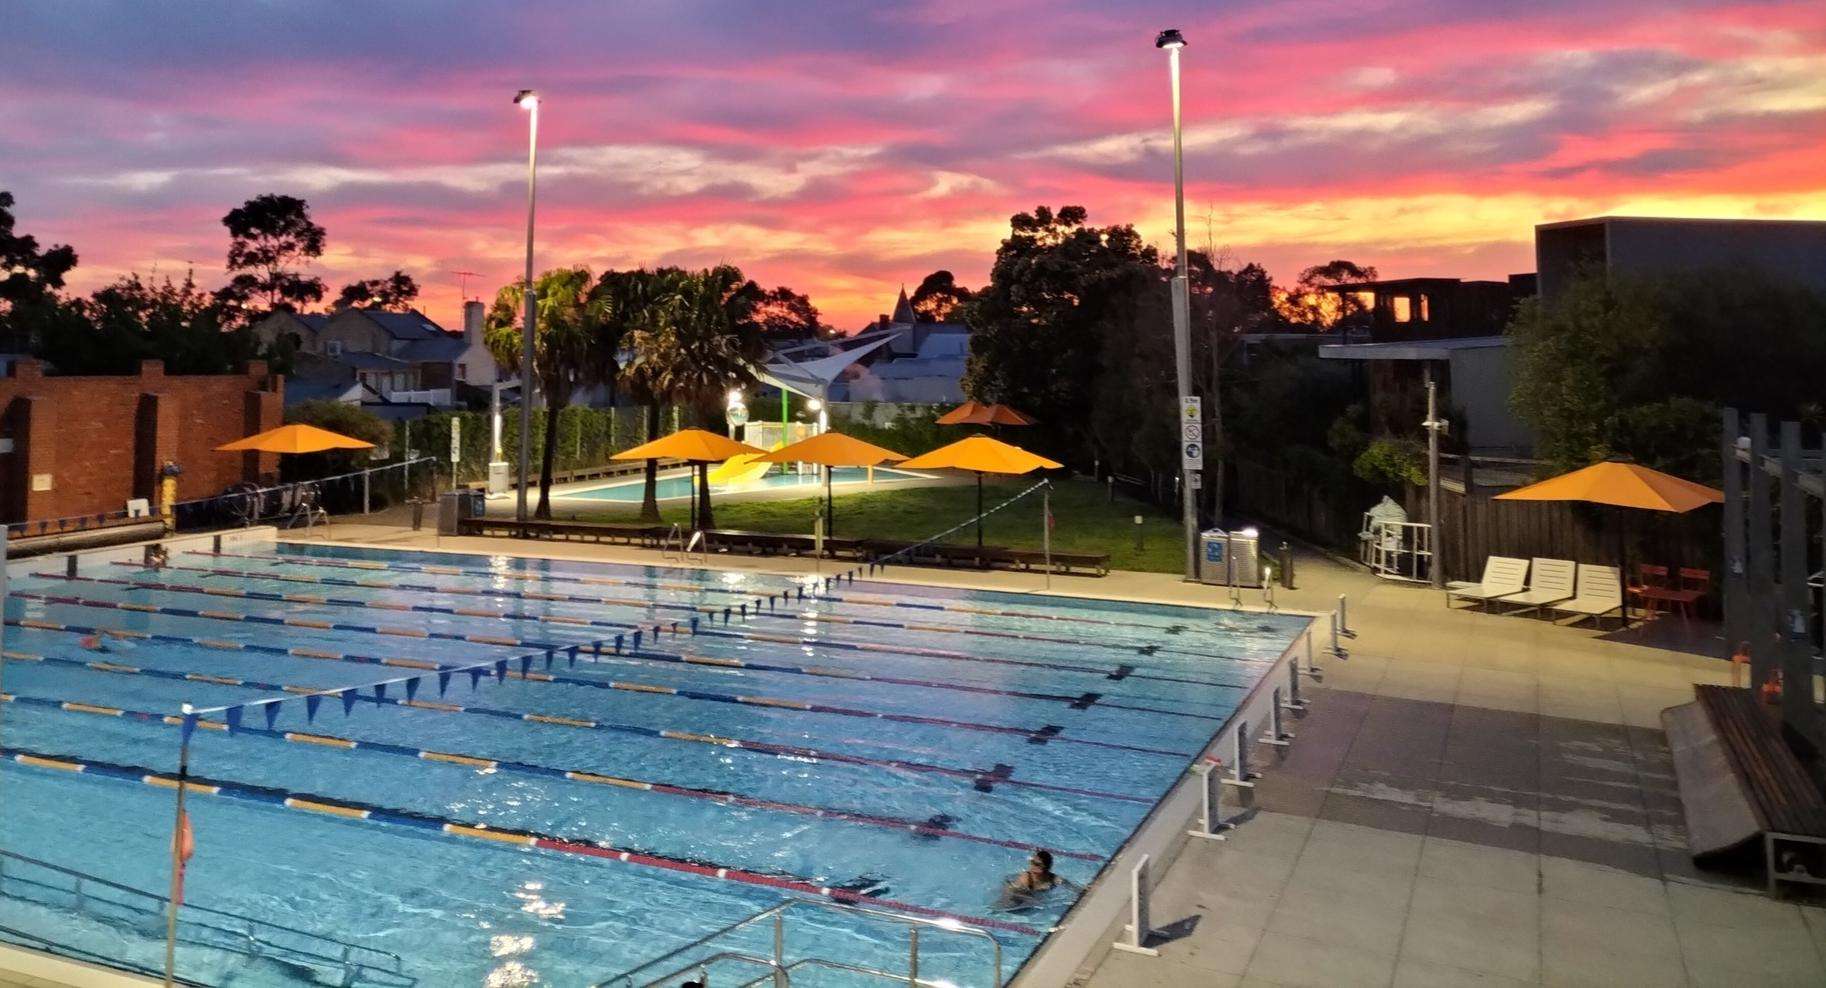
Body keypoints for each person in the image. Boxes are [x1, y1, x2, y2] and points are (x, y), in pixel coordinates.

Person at [997, 850, 1079, 910]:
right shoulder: (1025, 878)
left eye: (1038, 865)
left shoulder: (1053, 879)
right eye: (1032, 863)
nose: (1033, 867)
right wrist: (1033, 900)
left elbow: (1073, 888)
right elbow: (1010, 892)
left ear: (1047, 867)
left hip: (1031, 899)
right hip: (1017, 895)